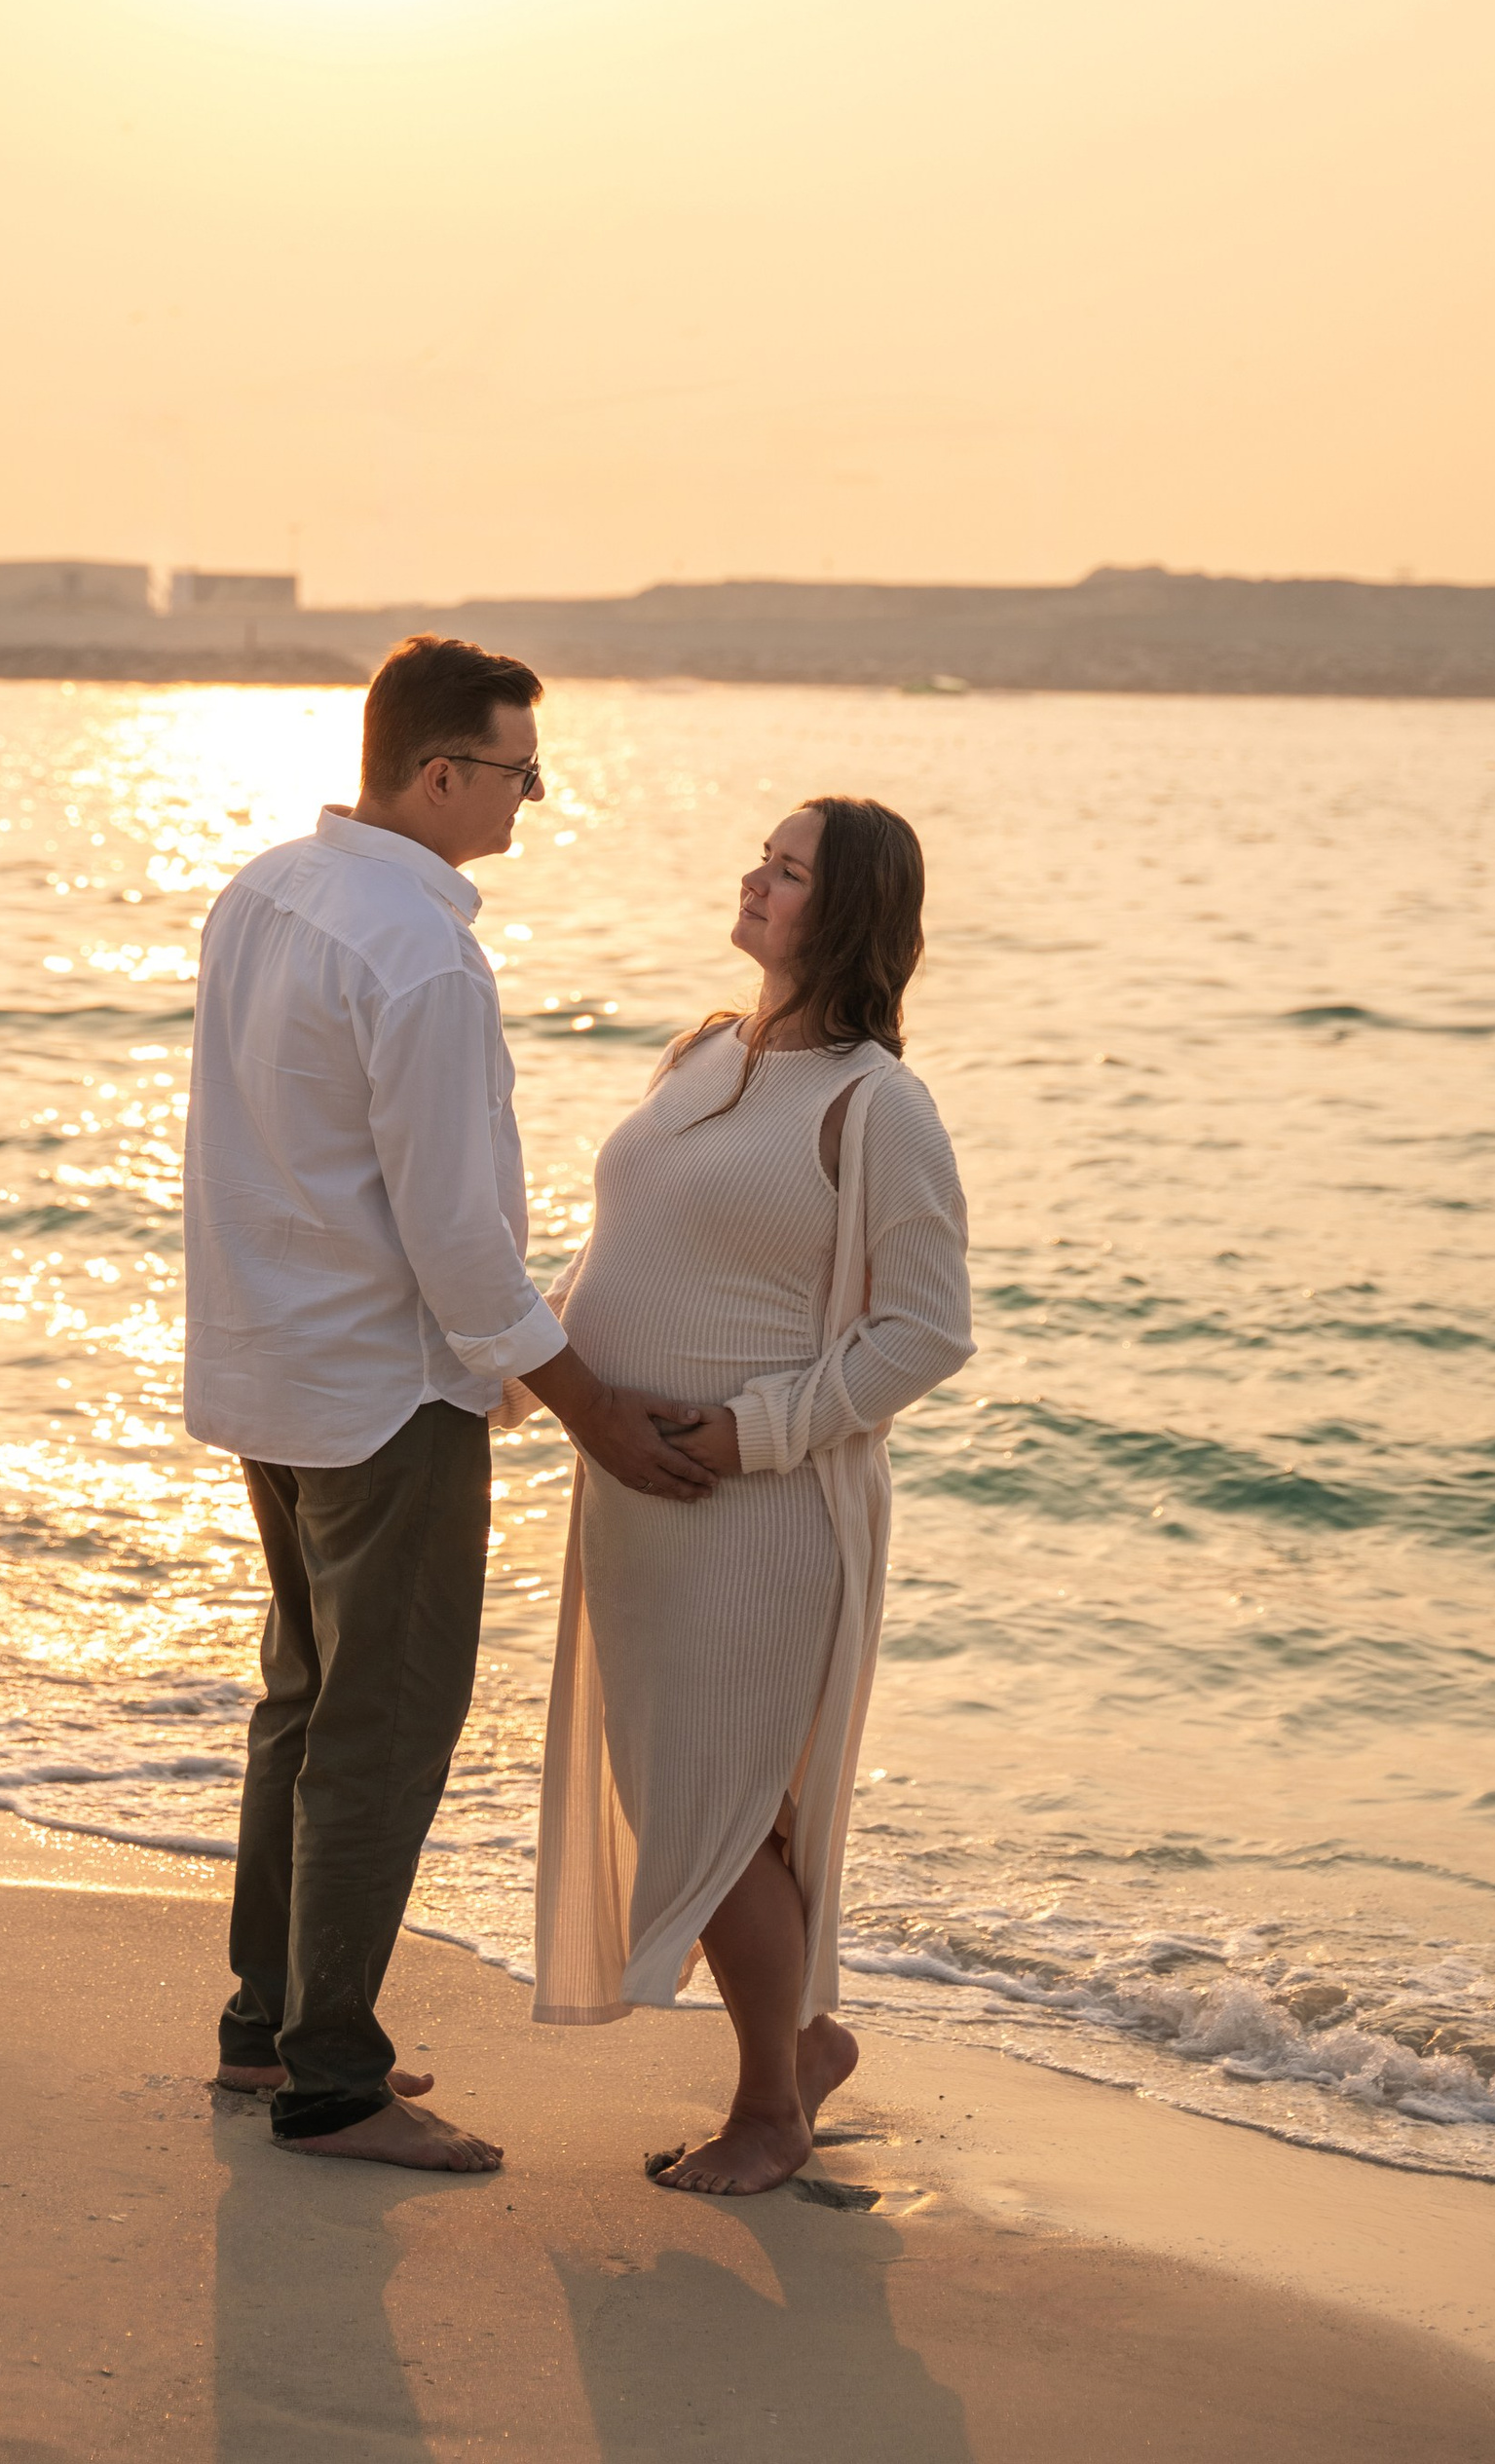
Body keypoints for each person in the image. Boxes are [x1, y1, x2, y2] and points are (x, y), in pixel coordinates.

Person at [182, 633, 715, 2175]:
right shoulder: (419, 954)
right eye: (518, 768)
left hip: (271, 1369)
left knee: (304, 1703)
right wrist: (589, 1405)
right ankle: (331, 2079)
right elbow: (458, 1239)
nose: (531, 796)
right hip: (381, 1388)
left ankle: (264, 2026)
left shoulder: (265, 888)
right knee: (383, 1725)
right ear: (439, 772)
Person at [530, 795, 973, 2192]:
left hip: (760, 1512)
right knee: (694, 1801)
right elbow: (626, 1249)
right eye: (764, 860)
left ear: (840, 913)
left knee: (718, 1810)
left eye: (787, 874)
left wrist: (749, 1433)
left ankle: (773, 2111)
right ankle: (809, 2043)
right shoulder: (707, 1049)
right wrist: (519, 1371)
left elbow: (927, 1329)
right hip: (635, 1496)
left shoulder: (875, 1103)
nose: (755, 880)